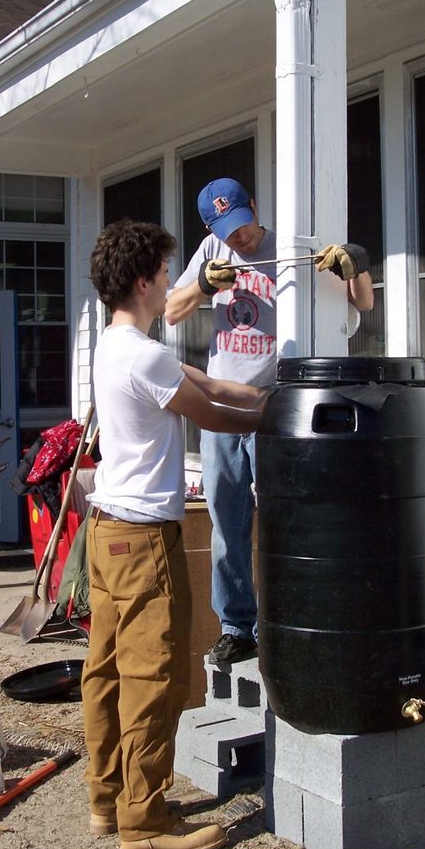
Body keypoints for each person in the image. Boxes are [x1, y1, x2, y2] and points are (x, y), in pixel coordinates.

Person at [83, 219, 266, 849]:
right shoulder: (145, 354)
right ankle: (147, 823)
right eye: (165, 273)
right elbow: (212, 411)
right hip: (142, 540)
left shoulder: (112, 344)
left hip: (105, 532)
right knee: (154, 676)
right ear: (142, 281)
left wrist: (271, 393)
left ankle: (108, 799)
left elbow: (209, 383)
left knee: (105, 669)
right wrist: (279, 416)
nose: (172, 282)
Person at [165, 177, 374, 665]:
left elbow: (361, 301)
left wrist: (357, 262)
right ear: (211, 226)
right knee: (225, 521)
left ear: (254, 207)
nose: (239, 238)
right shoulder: (212, 249)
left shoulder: (293, 248)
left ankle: (292, 620)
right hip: (220, 409)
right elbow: (171, 312)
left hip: (275, 405)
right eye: (227, 229)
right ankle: (237, 627)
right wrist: (201, 284)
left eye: (243, 224)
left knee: (288, 521)